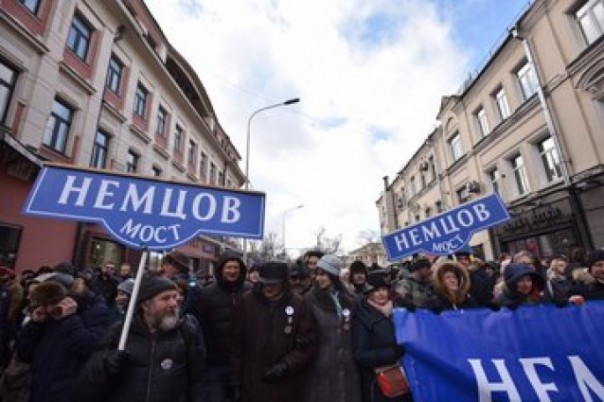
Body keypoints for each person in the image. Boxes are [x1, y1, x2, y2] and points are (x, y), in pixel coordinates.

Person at [75, 275, 206, 402]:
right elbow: (87, 383)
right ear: (146, 305)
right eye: (165, 298)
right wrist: (105, 364)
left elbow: (198, 382)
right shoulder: (120, 332)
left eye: (175, 297)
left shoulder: (185, 332)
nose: (173, 303)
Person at [231, 261, 317, 402]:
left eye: (273, 284)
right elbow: (236, 344)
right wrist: (235, 381)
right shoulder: (247, 302)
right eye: (265, 283)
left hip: (286, 384)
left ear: (283, 283)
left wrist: (286, 365)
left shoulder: (298, 304)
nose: (268, 288)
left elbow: (307, 343)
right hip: (252, 383)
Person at [16, 274, 109, 402]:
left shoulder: (96, 312)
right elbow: (24, 354)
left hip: (68, 392)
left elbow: (89, 348)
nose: (48, 309)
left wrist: (70, 319)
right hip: (40, 388)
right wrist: (34, 325)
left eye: (51, 303)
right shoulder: (46, 315)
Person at [187, 251, 251, 402]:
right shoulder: (208, 293)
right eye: (229, 267)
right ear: (221, 269)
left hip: (244, 361)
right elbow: (199, 325)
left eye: (236, 267)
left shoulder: (250, 291)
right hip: (215, 361)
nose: (232, 271)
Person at [304, 254, 360, 402]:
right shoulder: (310, 300)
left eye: (323, 274)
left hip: (348, 365)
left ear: (333, 275)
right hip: (321, 366)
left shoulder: (350, 298)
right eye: (317, 274)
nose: (319, 278)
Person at [352, 272, 411, 402]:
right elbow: (360, 355)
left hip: (404, 378)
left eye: (384, 289)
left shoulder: (397, 311)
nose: (381, 293)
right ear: (369, 293)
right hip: (379, 385)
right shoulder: (363, 317)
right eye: (376, 290)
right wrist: (392, 353)